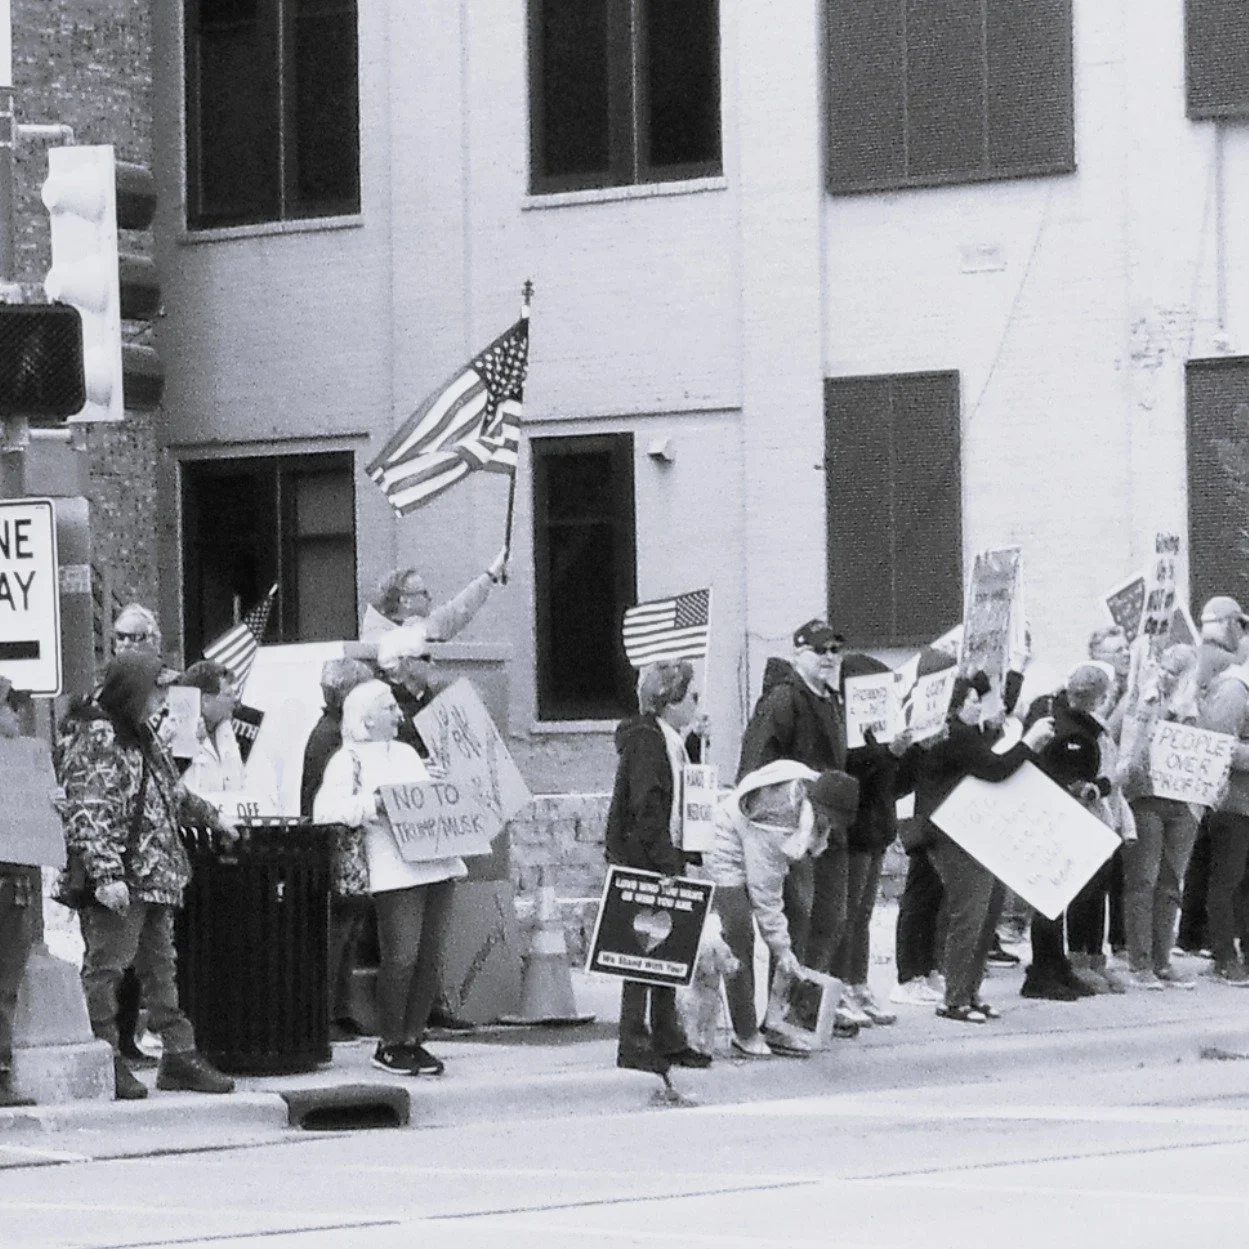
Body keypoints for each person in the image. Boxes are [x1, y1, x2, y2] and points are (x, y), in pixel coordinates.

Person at [56, 652, 236, 1100]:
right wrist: (106, 875)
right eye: (156, 690)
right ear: (134, 690)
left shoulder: (142, 736)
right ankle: (106, 1056)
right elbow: (88, 812)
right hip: (122, 878)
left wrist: (214, 819)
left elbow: (171, 790)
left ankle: (179, 1056)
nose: (162, 699)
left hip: (155, 873)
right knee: (106, 968)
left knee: (161, 969)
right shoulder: (97, 739)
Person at [313, 680, 465, 1076]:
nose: (399, 715)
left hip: (437, 860)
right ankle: (390, 1041)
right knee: (401, 957)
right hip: (392, 868)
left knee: (430, 957)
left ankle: (414, 1037)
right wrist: (372, 804)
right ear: (366, 717)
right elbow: (325, 812)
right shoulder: (346, 761)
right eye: (389, 709)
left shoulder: (406, 753)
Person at [917, 672, 1054, 1023]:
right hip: (953, 835)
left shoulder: (969, 736)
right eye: (972, 701)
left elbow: (985, 752)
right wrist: (1030, 742)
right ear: (954, 707)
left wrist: (997, 726)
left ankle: (970, 992)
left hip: (977, 832)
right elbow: (993, 768)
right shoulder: (953, 738)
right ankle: (954, 998)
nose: (978, 706)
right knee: (970, 914)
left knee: (988, 912)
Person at [707, 762, 858, 1056]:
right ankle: (745, 1031)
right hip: (727, 845)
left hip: (764, 844)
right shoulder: (776, 815)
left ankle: (779, 1024)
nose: (832, 828)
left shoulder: (815, 788)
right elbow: (766, 894)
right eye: (831, 821)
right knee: (739, 934)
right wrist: (782, 948)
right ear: (818, 808)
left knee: (798, 919)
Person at [604, 660, 709, 1074]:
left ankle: (667, 1036)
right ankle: (633, 1040)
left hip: (668, 853)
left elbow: (681, 790)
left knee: (670, 951)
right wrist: (667, 862)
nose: (697, 705)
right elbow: (646, 805)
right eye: (692, 697)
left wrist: (698, 745)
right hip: (646, 859)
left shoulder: (671, 739)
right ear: (669, 702)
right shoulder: (647, 741)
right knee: (640, 954)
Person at [738, 619, 847, 971]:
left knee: (830, 917)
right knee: (798, 920)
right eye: (820, 650)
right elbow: (756, 766)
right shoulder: (783, 700)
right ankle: (786, 1008)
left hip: (826, 828)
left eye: (835, 649)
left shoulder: (832, 700)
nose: (829, 657)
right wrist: (783, 814)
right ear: (799, 653)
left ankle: (811, 1004)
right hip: (792, 830)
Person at [1117, 644, 1202, 989]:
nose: (1170, 678)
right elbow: (1128, 749)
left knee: (1170, 882)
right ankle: (1140, 961)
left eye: (1178, 673)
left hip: (1182, 800)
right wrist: (1150, 713)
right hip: (1147, 797)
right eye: (1166, 670)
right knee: (1143, 880)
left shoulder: (1196, 706)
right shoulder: (1141, 700)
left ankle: (1163, 958)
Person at [300, 658, 376, 1040]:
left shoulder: (334, 733)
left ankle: (342, 1009)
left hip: (346, 846)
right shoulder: (330, 738)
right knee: (337, 931)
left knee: (349, 931)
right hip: (333, 846)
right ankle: (327, 1012)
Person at [1196, 631, 1249, 984]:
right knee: (1228, 882)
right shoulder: (1233, 691)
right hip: (1232, 802)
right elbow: (1217, 746)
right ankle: (1223, 956)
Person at [0, 680, 36, 1107]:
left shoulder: (26, 763)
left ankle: (2, 1072)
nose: (19, 716)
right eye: (11, 708)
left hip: (16, 886)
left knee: (7, 986)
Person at [360, 549, 509, 643]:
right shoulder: (374, 639)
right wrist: (420, 632)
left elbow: (458, 609)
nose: (430, 597)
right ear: (405, 601)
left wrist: (492, 573)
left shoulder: (426, 624)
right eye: (423, 593)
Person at [178, 661, 244, 796]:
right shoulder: (179, 739)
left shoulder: (227, 731)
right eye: (227, 695)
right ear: (206, 700)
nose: (235, 700)